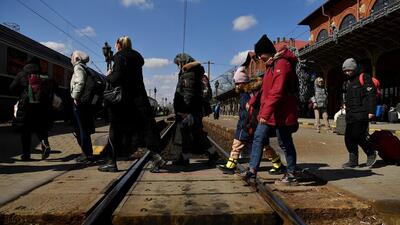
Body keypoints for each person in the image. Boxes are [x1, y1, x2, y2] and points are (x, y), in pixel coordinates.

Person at [98, 36, 166, 172]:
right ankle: (157, 156)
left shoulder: (119, 57)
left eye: (115, 44)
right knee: (145, 129)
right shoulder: (136, 59)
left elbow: (117, 78)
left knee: (114, 130)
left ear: (119, 45)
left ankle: (111, 162)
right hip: (139, 99)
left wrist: (108, 75)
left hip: (123, 102)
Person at [240, 34, 300, 186]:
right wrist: (253, 101)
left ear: (267, 52)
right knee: (258, 138)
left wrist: (264, 114)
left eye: (261, 54)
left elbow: (277, 91)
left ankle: (292, 173)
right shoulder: (270, 66)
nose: (259, 57)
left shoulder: (282, 64)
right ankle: (252, 171)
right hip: (270, 111)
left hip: (282, 112)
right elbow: (264, 90)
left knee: (284, 142)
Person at [218, 66, 285, 175]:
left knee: (238, 145)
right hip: (254, 124)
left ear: (244, 82)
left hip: (247, 125)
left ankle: (230, 166)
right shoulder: (251, 92)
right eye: (236, 84)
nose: (237, 86)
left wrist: (243, 125)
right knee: (263, 146)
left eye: (238, 83)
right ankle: (278, 164)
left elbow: (246, 112)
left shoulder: (246, 94)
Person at [172, 53, 217, 166]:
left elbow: (188, 93)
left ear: (183, 62)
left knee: (185, 134)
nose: (178, 66)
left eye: (178, 63)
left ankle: (183, 159)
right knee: (196, 133)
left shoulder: (188, 73)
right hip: (195, 109)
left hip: (189, 110)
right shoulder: (195, 72)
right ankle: (210, 153)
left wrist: (184, 110)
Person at [9, 57, 52, 160]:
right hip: (41, 107)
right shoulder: (45, 76)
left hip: (26, 106)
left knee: (25, 131)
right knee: (40, 128)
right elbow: (53, 89)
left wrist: (21, 95)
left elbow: (12, 88)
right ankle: (45, 143)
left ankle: (26, 155)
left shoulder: (22, 74)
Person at [341, 58, 377, 168]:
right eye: (345, 71)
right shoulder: (348, 81)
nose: (347, 73)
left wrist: (371, 111)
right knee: (348, 138)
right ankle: (353, 161)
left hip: (362, 113)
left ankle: (371, 153)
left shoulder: (364, 77)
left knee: (358, 136)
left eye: (349, 70)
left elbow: (371, 95)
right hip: (351, 114)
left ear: (354, 68)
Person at [70, 50, 95, 163]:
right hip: (85, 103)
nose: (70, 59)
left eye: (72, 57)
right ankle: (88, 154)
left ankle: (87, 155)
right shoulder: (85, 68)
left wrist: (75, 97)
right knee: (84, 128)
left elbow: (80, 82)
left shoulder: (78, 67)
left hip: (79, 102)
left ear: (76, 58)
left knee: (81, 129)